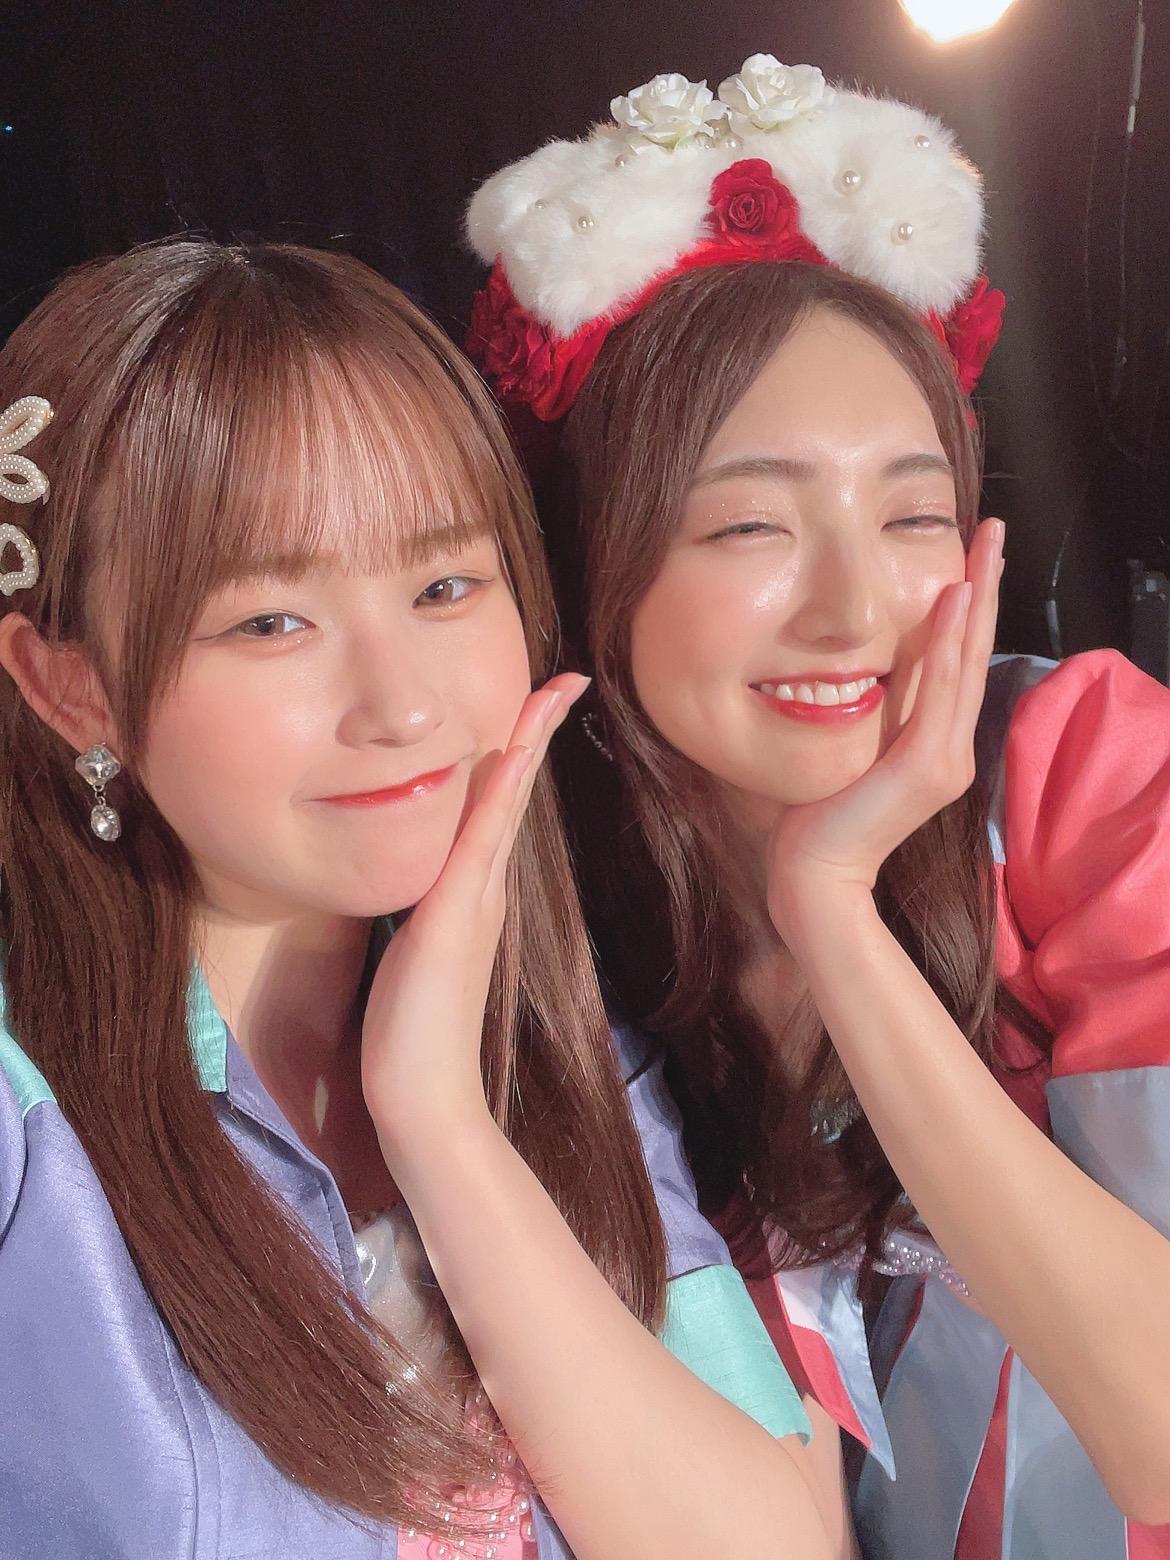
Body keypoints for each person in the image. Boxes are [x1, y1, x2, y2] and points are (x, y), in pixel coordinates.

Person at [0, 239, 834, 1558]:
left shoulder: (562, 1054)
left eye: (445, 588)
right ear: (73, 688)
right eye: (270, 621)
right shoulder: (28, 1133)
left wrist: (440, 1120)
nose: (401, 707)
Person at [468, 57, 1170, 1560]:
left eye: (913, 514)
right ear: (590, 555)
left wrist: (833, 912)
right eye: (748, 526)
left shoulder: (1087, 771)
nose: (855, 609)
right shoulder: (548, 924)